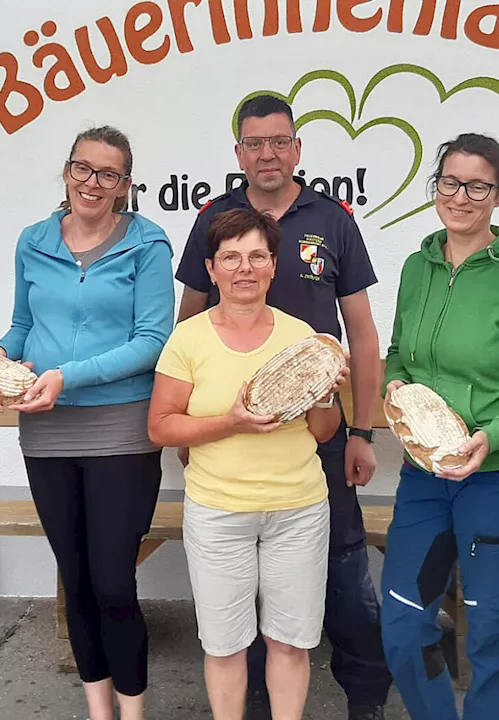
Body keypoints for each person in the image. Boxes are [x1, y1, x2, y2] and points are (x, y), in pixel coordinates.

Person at [173, 94, 392, 720]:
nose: (267, 153)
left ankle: (366, 700)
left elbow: (362, 335)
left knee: (345, 569)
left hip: (317, 428)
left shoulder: (333, 218)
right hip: (234, 440)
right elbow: (186, 321)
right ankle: (261, 703)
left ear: (297, 148)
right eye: (254, 143)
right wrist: (191, 431)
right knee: (243, 591)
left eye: (279, 141)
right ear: (238, 152)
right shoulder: (216, 217)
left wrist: (362, 432)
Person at [0, 126, 174, 720]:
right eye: (83, 168)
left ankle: (133, 714)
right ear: (66, 171)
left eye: (108, 174)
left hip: (122, 433)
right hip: (47, 434)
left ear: (125, 185)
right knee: (75, 581)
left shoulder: (148, 243)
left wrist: (67, 376)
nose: (92, 183)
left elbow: (153, 341)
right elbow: (24, 327)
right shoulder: (33, 240)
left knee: (113, 585)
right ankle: (99, 711)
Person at [379, 134, 499, 719]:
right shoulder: (418, 266)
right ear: (434, 186)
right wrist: (396, 386)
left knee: (491, 636)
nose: (460, 196)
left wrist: (496, 433)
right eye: (449, 182)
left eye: (478, 186)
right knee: (401, 623)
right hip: (426, 477)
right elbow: (399, 353)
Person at [149, 207, 348, 720]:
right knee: (224, 646)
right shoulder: (188, 338)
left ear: (274, 265)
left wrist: (326, 398)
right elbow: (161, 426)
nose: (245, 268)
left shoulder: (301, 336)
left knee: (290, 643)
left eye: (257, 256)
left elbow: (324, 432)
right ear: (211, 269)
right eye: (230, 257)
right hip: (218, 512)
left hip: (297, 510)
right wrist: (231, 421)